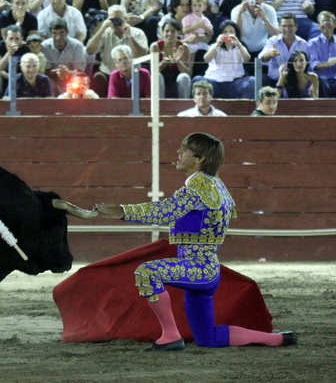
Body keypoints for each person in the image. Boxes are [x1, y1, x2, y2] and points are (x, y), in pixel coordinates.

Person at [95, 132, 297, 352]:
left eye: (184, 149)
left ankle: (170, 337)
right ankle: (278, 339)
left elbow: (165, 211)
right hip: (207, 271)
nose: (178, 153)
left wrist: (124, 211)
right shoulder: (216, 185)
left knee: (147, 272)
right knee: (207, 338)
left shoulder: (200, 186)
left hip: (198, 268)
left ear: (199, 158)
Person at [86, 5, 148, 97]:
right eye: (112, 20)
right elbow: (90, 50)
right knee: (98, 77)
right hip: (108, 74)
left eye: (118, 20)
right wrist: (102, 28)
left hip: (132, 75)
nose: (115, 23)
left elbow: (141, 55)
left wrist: (129, 35)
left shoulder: (138, 33)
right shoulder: (105, 33)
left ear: (126, 19)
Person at [192, 20, 255, 99]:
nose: (228, 34)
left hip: (234, 84)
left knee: (252, 81)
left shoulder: (240, 46)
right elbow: (206, 59)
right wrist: (218, 44)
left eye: (231, 31)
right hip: (214, 84)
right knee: (198, 80)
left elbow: (247, 59)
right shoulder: (214, 46)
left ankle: (246, 110)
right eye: (225, 32)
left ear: (236, 34)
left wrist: (238, 44)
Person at [231, 0, 280, 68]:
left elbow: (276, 35)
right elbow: (237, 36)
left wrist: (264, 18)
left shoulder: (269, 10)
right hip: (243, 49)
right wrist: (240, 14)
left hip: (263, 49)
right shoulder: (236, 10)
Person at [258, 13, 309, 88]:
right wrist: (270, 54)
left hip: (297, 81)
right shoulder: (273, 41)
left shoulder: (303, 43)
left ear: (296, 27)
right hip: (275, 80)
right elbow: (261, 58)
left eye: (290, 26)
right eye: (284, 26)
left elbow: (308, 64)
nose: (287, 29)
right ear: (279, 28)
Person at [41, 18, 87, 95]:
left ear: (67, 32)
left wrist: (68, 73)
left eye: (61, 33)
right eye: (54, 33)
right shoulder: (44, 46)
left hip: (73, 79)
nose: (58, 37)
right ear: (50, 34)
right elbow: (46, 71)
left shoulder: (77, 45)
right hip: (54, 81)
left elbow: (80, 71)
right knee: (48, 82)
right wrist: (59, 72)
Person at [152, 19, 192, 99]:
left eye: (173, 31)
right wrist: (163, 64)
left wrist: (178, 62)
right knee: (157, 76)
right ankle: (158, 106)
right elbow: (152, 72)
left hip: (177, 79)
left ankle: (184, 106)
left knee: (184, 77)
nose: (169, 34)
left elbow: (188, 74)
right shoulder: (155, 47)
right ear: (162, 32)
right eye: (167, 31)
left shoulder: (183, 47)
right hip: (162, 77)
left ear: (178, 33)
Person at [0, 24, 30, 95]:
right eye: (11, 38)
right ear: (5, 38)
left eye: (17, 39)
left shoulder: (26, 49)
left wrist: (8, 75)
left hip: (19, 78)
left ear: (22, 39)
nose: (14, 42)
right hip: (2, 78)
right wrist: (9, 53)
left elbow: (27, 72)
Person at [308, 10, 336, 97]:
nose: (326, 24)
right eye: (323, 21)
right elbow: (314, 65)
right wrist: (327, 64)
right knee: (322, 81)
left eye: (329, 21)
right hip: (320, 81)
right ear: (319, 26)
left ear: (335, 24)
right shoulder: (312, 43)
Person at [181, 0, 213, 70]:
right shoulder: (187, 18)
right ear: (191, 7)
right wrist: (196, 26)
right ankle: (189, 74)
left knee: (211, 53)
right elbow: (185, 30)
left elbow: (211, 33)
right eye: (194, 5)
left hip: (202, 43)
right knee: (190, 61)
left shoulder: (205, 20)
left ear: (204, 7)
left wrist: (205, 27)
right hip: (191, 42)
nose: (197, 8)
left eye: (199, 5)